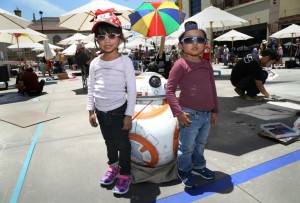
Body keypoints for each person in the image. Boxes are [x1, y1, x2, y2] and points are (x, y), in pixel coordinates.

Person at [86, 8, 136, 195]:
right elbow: (91, 88)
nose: (106, 40)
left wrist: (128, 115)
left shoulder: (125, 62)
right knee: (109, 143)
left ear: (120, 38)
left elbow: (132, 91)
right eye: (101, 36)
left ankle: (125, 173)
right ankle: (113, 166)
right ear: (96, 40)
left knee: (123, 145)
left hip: (119, 111)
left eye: (112, 35)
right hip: (100, 111)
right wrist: (90, 111)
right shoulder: (94, 63)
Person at [165, 21, 219, 188]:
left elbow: (212, 87)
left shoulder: (206, 64)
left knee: (200, 144)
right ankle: (184, 170)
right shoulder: (179, 65)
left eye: (199, 39)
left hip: (206, 114)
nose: (195, 43)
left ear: (205, 44)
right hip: (189, 115)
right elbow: (169, 90)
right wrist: (178, 113)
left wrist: (215, 109)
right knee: (187, 147)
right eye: (189, 40)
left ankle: (199, 166)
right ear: (181, 44)